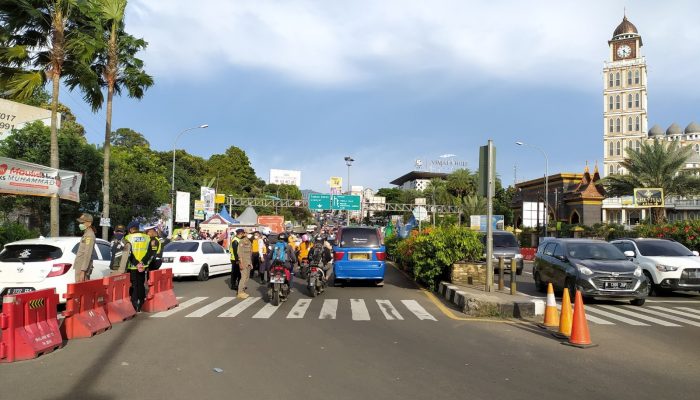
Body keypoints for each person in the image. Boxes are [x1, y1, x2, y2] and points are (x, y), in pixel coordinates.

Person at [119, 221, 156, 311]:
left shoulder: (128, 238)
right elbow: (151, 252)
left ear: (131, 229)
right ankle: (142, 303)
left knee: (134, 285)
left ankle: (134, 304)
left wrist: (136, 263)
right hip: (143, 267)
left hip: (132, 266)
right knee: (141, 284)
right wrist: (142, 263)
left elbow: (129, 253)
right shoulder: (147, 237)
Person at [73, 213, 95, 282]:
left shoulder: (90, 235)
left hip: (82, 268)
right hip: (80, 266)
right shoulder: (86, 234)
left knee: (82, 290)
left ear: (89, 223)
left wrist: (83, 270)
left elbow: (87, 253)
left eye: (82, 222)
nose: (80, 224)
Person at [237, 230, 253, 299]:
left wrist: (251, 263)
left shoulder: (249, 242)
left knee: (247, 277)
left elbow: (250, 254)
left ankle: (243, 291)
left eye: (251, 234)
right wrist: (241, 263)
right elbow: (239, 253)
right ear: (245, 234)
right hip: (243, 262)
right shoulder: (242, 241)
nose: (250, 235)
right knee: (243, 277)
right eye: (249, 233)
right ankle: (240, 292)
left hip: (248, 262)